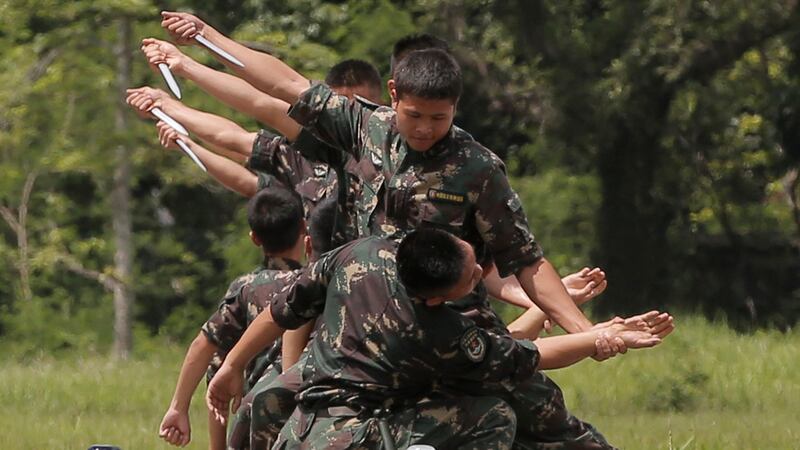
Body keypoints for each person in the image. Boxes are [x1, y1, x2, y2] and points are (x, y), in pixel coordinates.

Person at [205, 228, 672, 449]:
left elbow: (282, 310)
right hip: (351, 439)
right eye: (473, 279)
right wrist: (599, 338)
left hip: (300, 430)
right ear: (434, 299)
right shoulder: (437, 332)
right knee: (493, 415)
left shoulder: (358, 253)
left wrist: (230, 368)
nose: (480, 279)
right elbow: (526, 355)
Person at [157, 184, 328, 449]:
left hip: (258, 418)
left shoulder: (248, 287)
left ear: (254, 238)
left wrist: (178, 408)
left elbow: (204, 346)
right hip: (315, 414)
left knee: (221, 358)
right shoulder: (324, 284)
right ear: (304, 228)